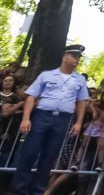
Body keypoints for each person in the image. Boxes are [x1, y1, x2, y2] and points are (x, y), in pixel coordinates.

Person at [10, 44, 89, 195]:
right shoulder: (46, 75)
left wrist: (78, 122)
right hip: (42, 116)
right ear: (65, 56)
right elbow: (31, 96)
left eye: (78, 57)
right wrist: (26, 118)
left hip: (63, 119)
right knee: (29, 153)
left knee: (49, 156)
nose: (77, 59)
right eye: (74, 56)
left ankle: (38, 190)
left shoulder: (79, 80)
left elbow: (81, 102)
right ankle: (19, 190)